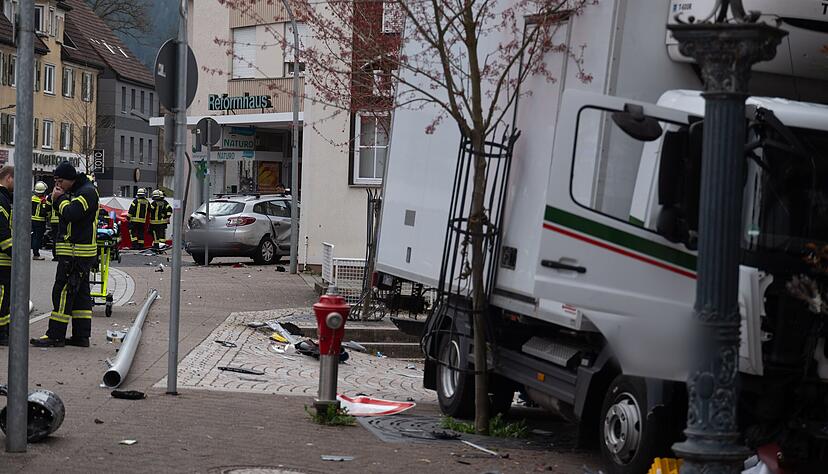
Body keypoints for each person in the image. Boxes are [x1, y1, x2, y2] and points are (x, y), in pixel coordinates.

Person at [31, 162, 99, 348]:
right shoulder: (78, 191)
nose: (58, 185)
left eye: (60, 181)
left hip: (76, 254)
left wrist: (59, 199)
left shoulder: (87, 192)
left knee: (62, 292)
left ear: (71, 179)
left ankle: (55, 335)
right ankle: (81, 336)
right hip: (78, 253)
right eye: (56, 181)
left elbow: (71, 213)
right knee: (81, 295)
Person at [0, 166, 13, 346]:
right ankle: (2, 334)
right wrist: (15, 253)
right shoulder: (2, 200)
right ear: (9, 178)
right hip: (3, 259)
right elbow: (2, 230)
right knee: (3, 297)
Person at [31, 181, 49, 260]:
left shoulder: (32, 198)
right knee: (37, 238)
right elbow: (45, 212)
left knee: (34, 236)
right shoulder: (43, 200)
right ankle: (36, 254)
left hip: (32, 220)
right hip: (40, 221)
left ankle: (35, 253)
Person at [47, 192, 60, 261]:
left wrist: (49, 217)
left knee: (55, 239)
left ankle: (55, 256)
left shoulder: (51, 196)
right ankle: (60, 255)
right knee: (61, 239)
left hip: (53, 221)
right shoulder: (65, 194)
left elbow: (48, 208)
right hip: (62, 221)